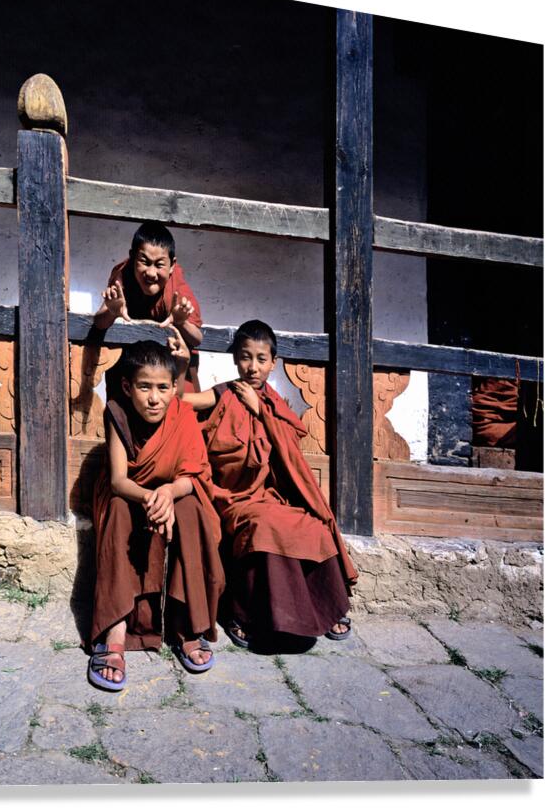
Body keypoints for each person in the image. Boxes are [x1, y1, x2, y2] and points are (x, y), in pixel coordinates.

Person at [171, 320, 358, 648]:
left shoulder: (274, 403)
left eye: (261, 359)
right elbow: (181, 400)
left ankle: (325, 607)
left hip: (269, 495)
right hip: (232, 498)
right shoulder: (223, 394)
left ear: (273, 363)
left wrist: (262, 413)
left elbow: (290, 458)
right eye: (245, 357)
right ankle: (243, 614)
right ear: (235, 359)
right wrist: (182, 364)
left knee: (313, 525)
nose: (252, 367)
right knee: (263, 526)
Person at [87, 340, 225, 691]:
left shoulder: (182, 414)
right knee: (118, 510)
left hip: (170, 493)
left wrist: (167, 493)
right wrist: (152, 497)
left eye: (163, 387)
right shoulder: (116, 413)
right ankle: (115, 632)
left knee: (191, 508)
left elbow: (192, 475)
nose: (154, 398)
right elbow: (119, 481)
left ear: (174, 388)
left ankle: (186, 625)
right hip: (129, 493)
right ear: (127, 387)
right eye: (144, 387)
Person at [94, 221, 203, 391]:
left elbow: (197, 338)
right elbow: (100, 323)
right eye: (144, 262)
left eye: (159, 265)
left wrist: (181, 322)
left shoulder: (176, 289)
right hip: (131, 363)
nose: (151, 273)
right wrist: (113, 312)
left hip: (170, 365)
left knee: (181, 407)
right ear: (132, 258)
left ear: (172, 265)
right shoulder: (123, 277)